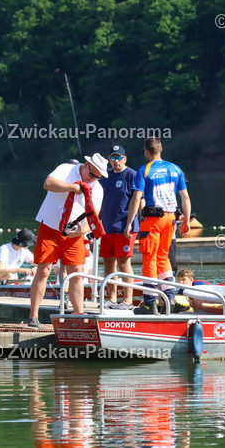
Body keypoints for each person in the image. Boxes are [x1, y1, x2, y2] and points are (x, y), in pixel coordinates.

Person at [26, 153, 109, 326]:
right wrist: (73, 187)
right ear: (86, 164)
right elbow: (48, 184)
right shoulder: (67, 169)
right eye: (91, 174)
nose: (92, 179)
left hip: (74, 234)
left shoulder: (98, 189)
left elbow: (94, 218)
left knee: (77, 274)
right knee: (43, 271)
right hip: (50, 227)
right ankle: (33, 316)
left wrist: (81, 231)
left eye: (97, 177)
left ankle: (79, 315)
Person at [124, 137, 191, 315]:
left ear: (146, 151)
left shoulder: (144, 170)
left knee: (149, 259)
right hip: (171, 219)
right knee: (163, 257)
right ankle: (169, 297)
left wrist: (130, 223)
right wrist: (185, 222)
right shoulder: (175, 169)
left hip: (152, 220)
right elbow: (185, 197)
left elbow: (137, 198)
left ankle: (150, 303)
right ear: (161, 149)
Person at [99, 145, 141, 309]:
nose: (116, 161)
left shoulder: (132, 175)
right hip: (108, 226)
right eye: (113, 158)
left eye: (119, 157)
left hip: (125, 226)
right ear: (109, 160)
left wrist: (130, 224)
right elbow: (102, 201)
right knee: (108, 262)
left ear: (125, 158)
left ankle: (128, 300)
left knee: (124, 263)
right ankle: (112, 298)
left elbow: (138, 201)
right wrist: (96, 221)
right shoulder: (106, 175)